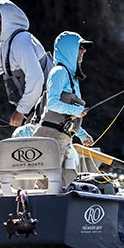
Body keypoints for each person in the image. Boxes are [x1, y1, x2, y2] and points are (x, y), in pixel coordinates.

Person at [34, 31, 92, 186]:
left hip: (63, 139)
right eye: (80, 48)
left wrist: (82, 134)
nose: (83, 51)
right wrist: (78, 111)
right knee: (47, 184)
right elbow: (52, 104)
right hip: (51, 137)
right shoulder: (58, 72)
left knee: (66, 183)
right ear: (69, 49)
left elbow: (66, 117)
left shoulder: (72, 79)